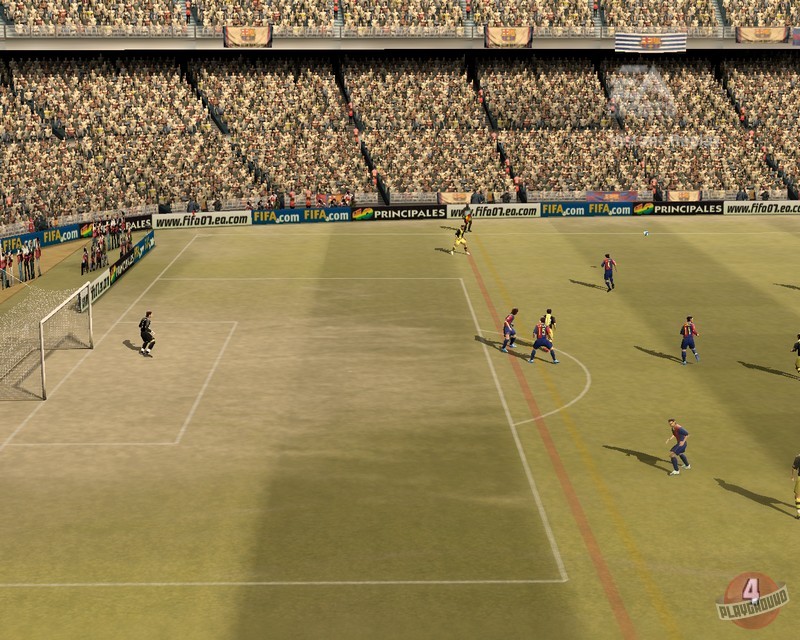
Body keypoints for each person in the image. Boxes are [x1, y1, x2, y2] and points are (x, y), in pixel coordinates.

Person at [792, 453, 800, 519]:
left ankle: (799, 514)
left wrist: (792, 476)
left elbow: (794, 468)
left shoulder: (798, 458)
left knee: (797, 496)